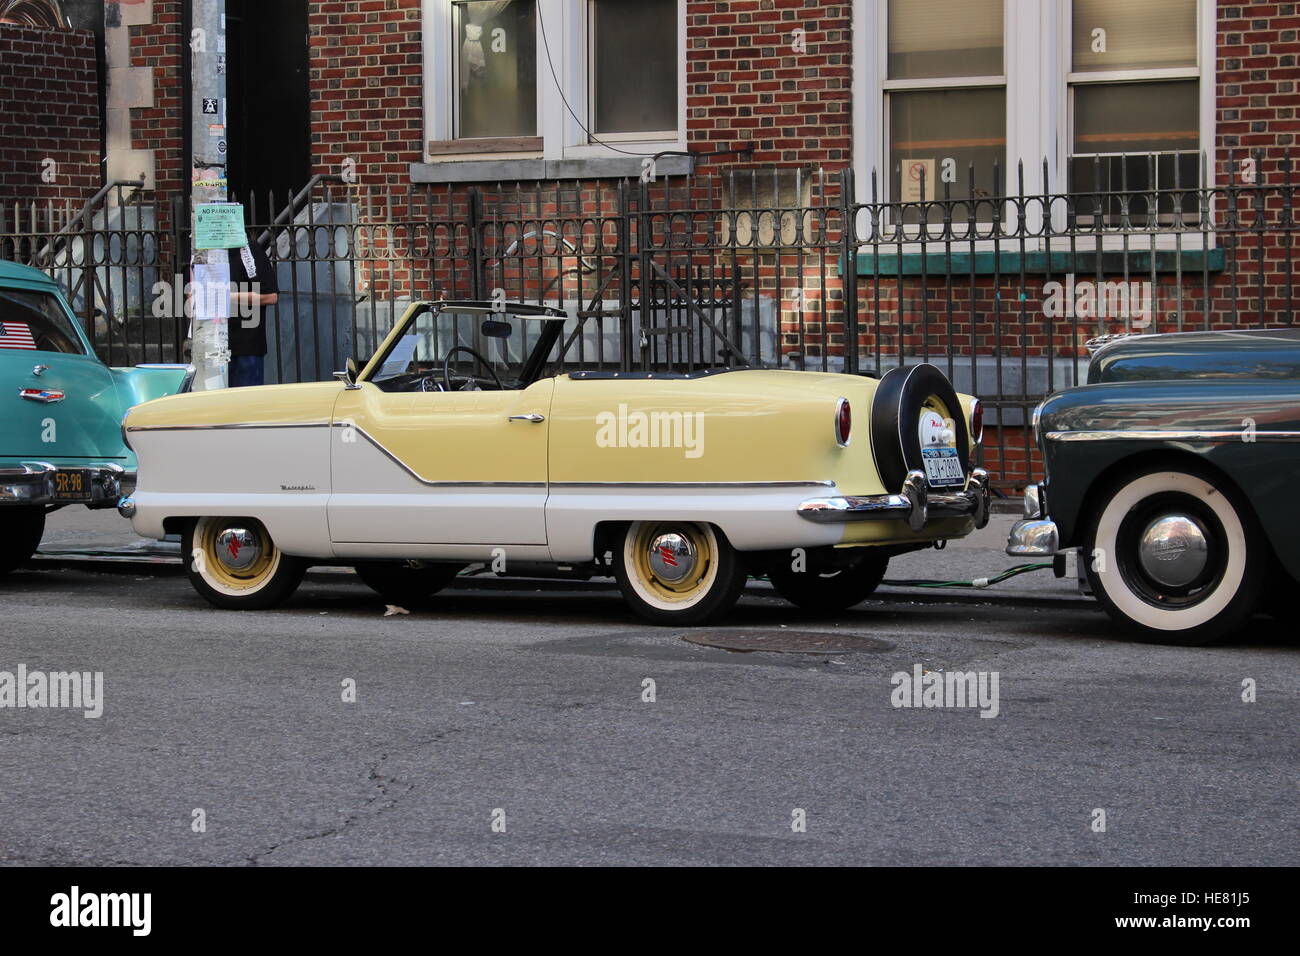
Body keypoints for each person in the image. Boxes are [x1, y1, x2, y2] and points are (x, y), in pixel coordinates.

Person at [224, 237, 279, 387]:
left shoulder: (248, 249)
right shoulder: (204, 253)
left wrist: (227, 297)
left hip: (246, 345)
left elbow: (271, 296)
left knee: (245, 403)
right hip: (213, 346)